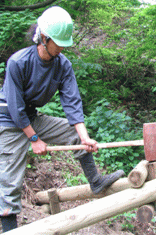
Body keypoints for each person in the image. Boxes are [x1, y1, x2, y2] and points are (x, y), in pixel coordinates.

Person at [0, 6, 125, 232]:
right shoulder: (18, 62)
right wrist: (34, 139)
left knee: (73, 134)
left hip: (30, 116)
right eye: (58, 42)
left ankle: (95, 182)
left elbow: (72, 102)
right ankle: (9, 229)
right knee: (9, 182)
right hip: (8, 121)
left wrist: (84, 137)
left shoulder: (63, 65)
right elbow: (15, 108)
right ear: (44, 37)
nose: (62, 47)